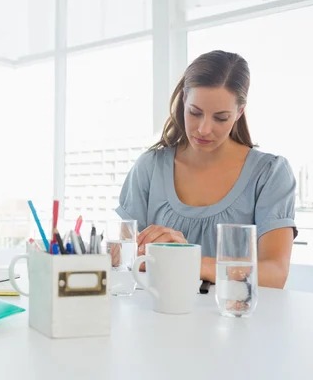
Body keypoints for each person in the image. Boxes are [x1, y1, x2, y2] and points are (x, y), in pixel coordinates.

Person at [116, 50, 296, 289]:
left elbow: (275, 273)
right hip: (158, 318)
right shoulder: (150, 167)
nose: (203, 129)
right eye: (195, 112)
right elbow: (125, 257)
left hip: (237, 320)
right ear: (183, 100)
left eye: (220, 118)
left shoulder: (270, 173)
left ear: (239, 112)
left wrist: (188, 260)